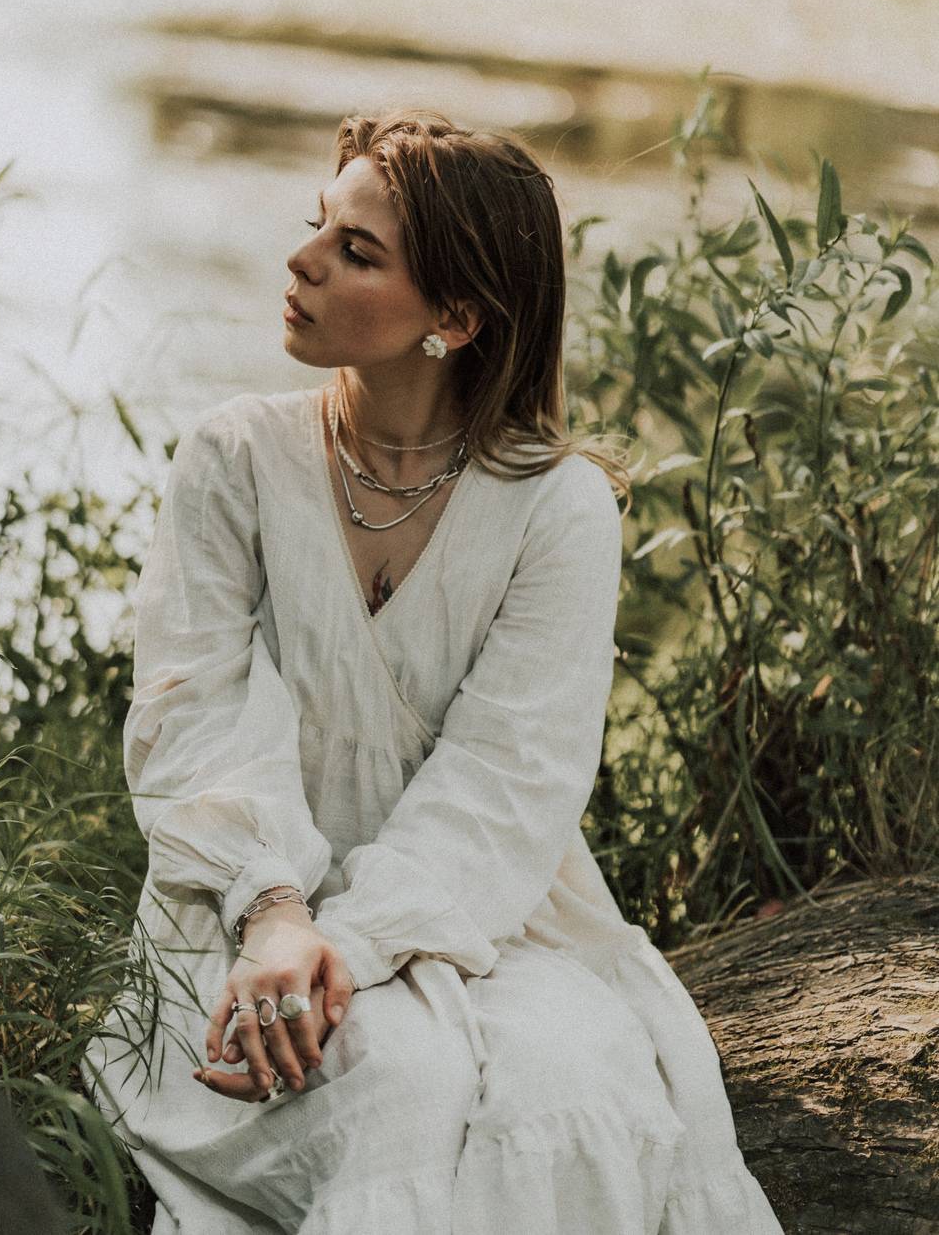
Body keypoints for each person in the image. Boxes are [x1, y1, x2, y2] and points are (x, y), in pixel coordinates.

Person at [83, 110, 784, 1233]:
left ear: (455, 319)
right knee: (395, 1089)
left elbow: (508, 783)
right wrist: (277, 916)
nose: (302, 260)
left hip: (488, 915)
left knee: (570, 1097)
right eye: (319, 224)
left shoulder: (557, 507)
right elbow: (192, 722)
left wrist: (351, 945)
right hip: (235, 909)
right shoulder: (235, 458)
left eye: (356, 251)